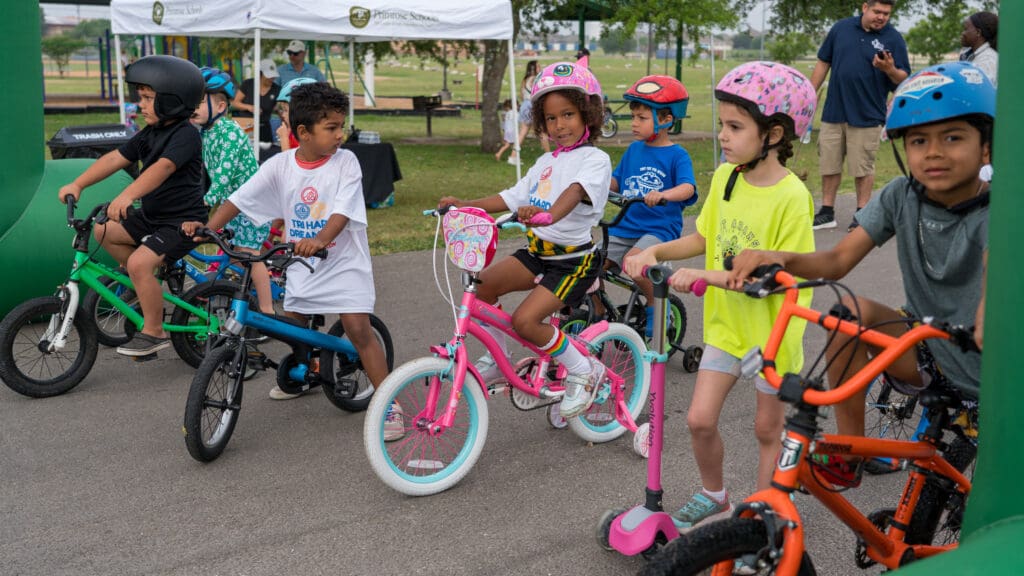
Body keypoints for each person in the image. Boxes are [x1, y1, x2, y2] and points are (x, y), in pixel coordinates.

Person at [726, 62, 992, 488]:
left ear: (987, 148)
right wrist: (777, 257)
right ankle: (851, 450)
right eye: (919, 140)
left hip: (994, 370)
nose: (935, 152)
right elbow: (837, 263)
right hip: (928, 351)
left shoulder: (1001, 209)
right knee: (846, 310)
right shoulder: (900, 196)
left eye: (953, 137)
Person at [624, 61, 818, 529]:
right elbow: (705, 239)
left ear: (772, 134)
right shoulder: (728, 178)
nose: (723, 137)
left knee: (767, 428)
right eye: (722, 126)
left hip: (772, 334)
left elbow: (782, 274)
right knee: (699, 419)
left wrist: (708, 278)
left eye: (735, 127)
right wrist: (655, 253)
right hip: (727, 329)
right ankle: (717, 495)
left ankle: (768, 511)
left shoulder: (791, 197)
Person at [183, 82, 391, 409]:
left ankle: (390, 405)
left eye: (342, 126)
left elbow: (341, 212)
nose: (340, 134)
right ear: (304, 132)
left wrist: (320, 239)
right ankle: (302, 373)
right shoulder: (281, 166)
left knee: (357, 329)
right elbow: (239, 199)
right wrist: (208, 229)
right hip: (303, 263)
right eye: (332, 127)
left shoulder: (346, 162)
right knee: (294, 326)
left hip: (343, 262)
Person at [439, 59, 611, 419]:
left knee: (525, 322)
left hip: (572, 262)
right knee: (481, 285)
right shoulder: (546, 162)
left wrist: (549, 214)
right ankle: (494, 357)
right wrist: (463, 205)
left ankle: (584, 370)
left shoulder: (595, 160)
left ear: (587, 115)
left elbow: (576, 192)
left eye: (568, 115)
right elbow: (510, 198)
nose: (559, 125)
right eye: (550, 118)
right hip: (537, 252)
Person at [58, 55, 208, 357]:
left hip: (182, 222)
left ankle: (154, 330)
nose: (140, 105)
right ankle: (144, 284)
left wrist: (127, 196)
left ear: (172, 101)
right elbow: (115, 158)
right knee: (103, 230)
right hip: (153, 216)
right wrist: (78, 183)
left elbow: (162, 168)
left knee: (140, 263)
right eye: (141, 97)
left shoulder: (186, 135)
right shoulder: (150, 133)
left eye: (148, 98)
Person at [605, 75, 698, 337]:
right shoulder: (634, 150)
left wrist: (664, 194)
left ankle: (658, 305)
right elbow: (617, 181)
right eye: (633, 116)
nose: (634, 123)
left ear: (666, 120)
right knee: (591, 263)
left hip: (658, 229)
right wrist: (596, 185)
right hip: (625, 225)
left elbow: (688, 188)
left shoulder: (677, 154)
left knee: (634, 263)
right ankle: (596, 313)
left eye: (641, 118)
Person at [810, 0, 910, 232]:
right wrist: (809, 96)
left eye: (886, 13)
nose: (881, 17)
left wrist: (889, 69)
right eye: (877, 11)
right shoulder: (841, 29)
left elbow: (903, 79)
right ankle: (826, 212)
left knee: (862, 166)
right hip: (834, 110)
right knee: (829, 162)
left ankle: (862, 213)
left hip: (867, 114)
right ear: (865, 7)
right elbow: (823, 62)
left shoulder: (893, 38)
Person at [191, 67, 275, 315]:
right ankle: (227, 291)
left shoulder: (229, 132)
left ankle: (268, 310)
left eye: (199, 102)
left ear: (219, 107)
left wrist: (206, 202)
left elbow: (224, 174)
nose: (192, 107)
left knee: (250, 256)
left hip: (252, 203)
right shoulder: (206, 133)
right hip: (232, 203)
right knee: (234, 253)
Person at [233, 58, 281, 157]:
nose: (271, 79)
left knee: (266, 155)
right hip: (247, 125)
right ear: (260, 74)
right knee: (246, 154)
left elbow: (278, 108)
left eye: (273, 76)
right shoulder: (248, 84)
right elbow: (235, 103)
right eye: (268, 76)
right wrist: (249, 107)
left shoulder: (276, 89)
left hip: (265, 127)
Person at [515, 60, 550, 161]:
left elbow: (521, 95)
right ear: (534, 68)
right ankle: (548, 155)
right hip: (532, 105)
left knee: (522, 132)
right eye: (538, 66)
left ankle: (513, 155)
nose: (540, 68)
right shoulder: (536, 78)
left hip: (525, 105)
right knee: (542, 131)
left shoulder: (525, 80)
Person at [275, 77, 321, 152]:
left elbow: (289, 162)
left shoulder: (306, 135)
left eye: (286, 110)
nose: (283, 115)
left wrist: (284, 138)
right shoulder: (294, 132)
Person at [959, 11, 998, 86]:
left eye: (965, 29)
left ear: (978, 32)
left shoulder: (988, 60)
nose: (963, 33)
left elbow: (980, 91)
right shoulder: (969, 55)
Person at [494, 98, 517, 162]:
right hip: (512, 131)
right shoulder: (514, 113)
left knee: (512, 144)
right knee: (510, 144)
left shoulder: (507, 114)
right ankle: (499, 154)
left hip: (507, 131)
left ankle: (514, 156)